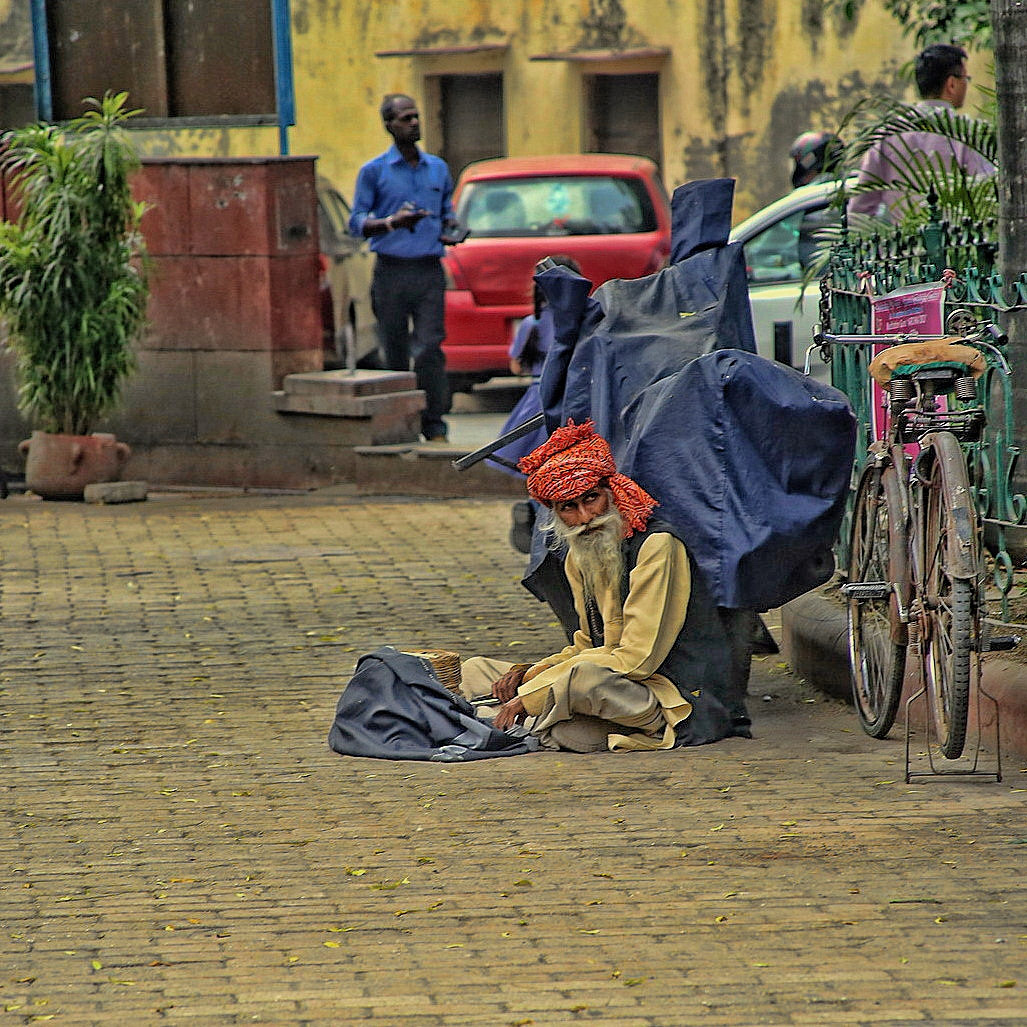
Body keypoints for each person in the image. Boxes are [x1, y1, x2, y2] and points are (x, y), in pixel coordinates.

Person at [460, 419, 751, 753]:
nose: (585, 517)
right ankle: (533, 719)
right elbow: (586, 645)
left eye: (592, 499)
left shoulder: (657, 546)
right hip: (610, 683)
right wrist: (529, 674)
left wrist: (532, 693)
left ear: (612, 493)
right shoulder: (578, 556)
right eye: (569, 507)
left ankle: (516, 718)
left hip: (666, 692)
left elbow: (636, 659)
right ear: (555, 513)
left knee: (581, 682)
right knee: (475, 670)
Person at [349, 94, 459, 442]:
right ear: (389, 125)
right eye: (405, 118)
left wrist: (453, 229)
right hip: (391, 271)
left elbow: (447, 212)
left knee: (429, 347)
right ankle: (401, 426)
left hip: (428, 270)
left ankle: (434, 423)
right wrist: (392, 223)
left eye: (416, 116)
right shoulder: (374, 171)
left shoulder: (438, 168)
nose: (414, 123)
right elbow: (356, 222)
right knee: (394, 350)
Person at [847, 44, 995, 222]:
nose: (966, 85)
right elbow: (987, 195)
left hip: (904, 245)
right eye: (966, 78)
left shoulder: (888, 133)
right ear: (952, 84)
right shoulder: (966, 133)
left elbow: (859, 210)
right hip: (957, 245)